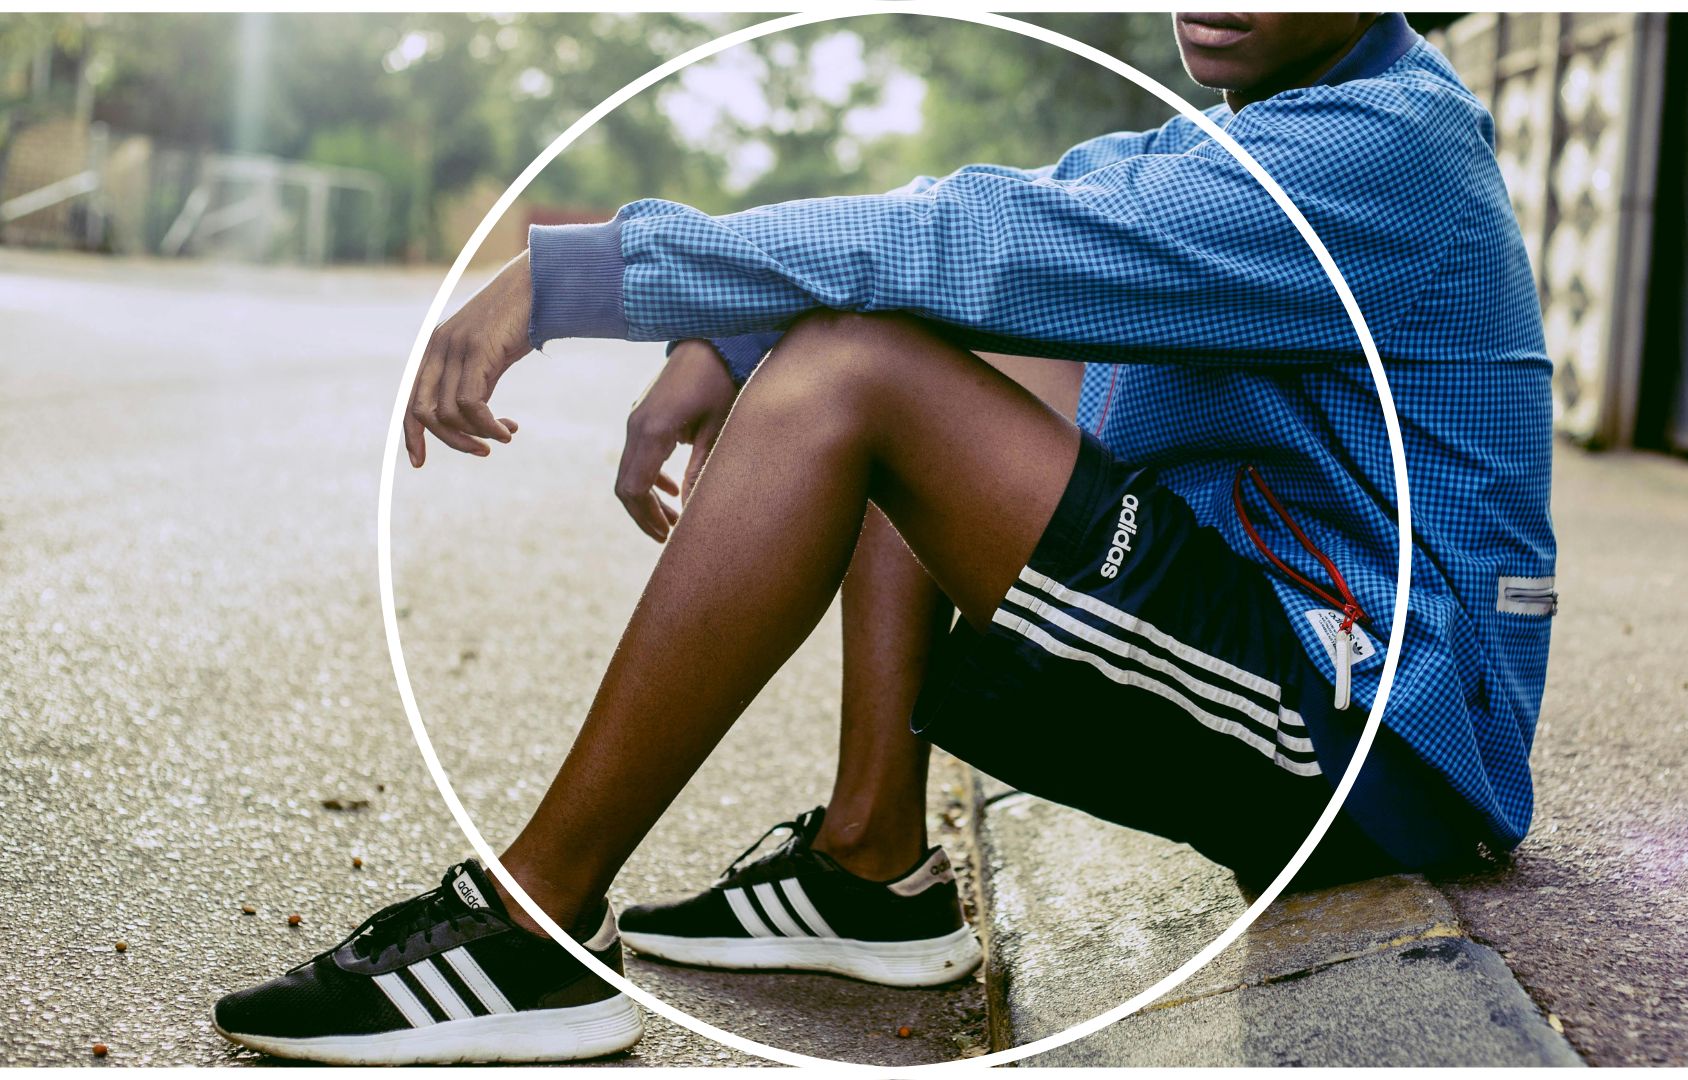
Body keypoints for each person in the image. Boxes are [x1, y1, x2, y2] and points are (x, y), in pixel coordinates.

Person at [213, 11, 1556, 1064]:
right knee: (888, 332)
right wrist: (734, 332)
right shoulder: (1271, 125)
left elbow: (984, 239)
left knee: (857, 368)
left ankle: (531, 929)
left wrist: (595, 273)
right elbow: (985, 213)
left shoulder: (1386, 152)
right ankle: (871, 860)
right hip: (1304, 642)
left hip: (1380, 727)